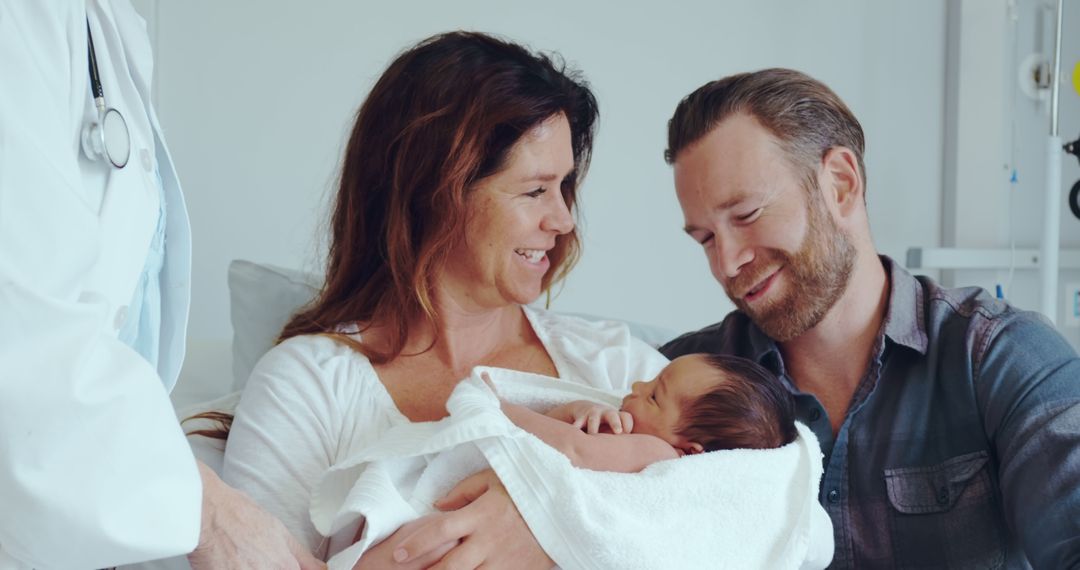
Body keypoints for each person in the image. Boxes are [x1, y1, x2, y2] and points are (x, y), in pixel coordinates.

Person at [659, 68, 1080, 568]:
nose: (726, 262)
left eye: (747, 215)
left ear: (840, 184)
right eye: (705, 238)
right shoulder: (670, 381)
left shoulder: (1002, 358)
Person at [0, 3, 321, 569]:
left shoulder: (108, 21)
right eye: (530, 193)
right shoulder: (312, 378)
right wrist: (213, 517)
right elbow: (21, 326)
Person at [497, 353, 799, 473]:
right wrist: (579, 411)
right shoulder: (640, 439)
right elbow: (560, 433)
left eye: (654, 396)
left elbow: (574, 449)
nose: (638, 384)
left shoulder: (661, 454)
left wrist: (500, 409)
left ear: (690, 451)